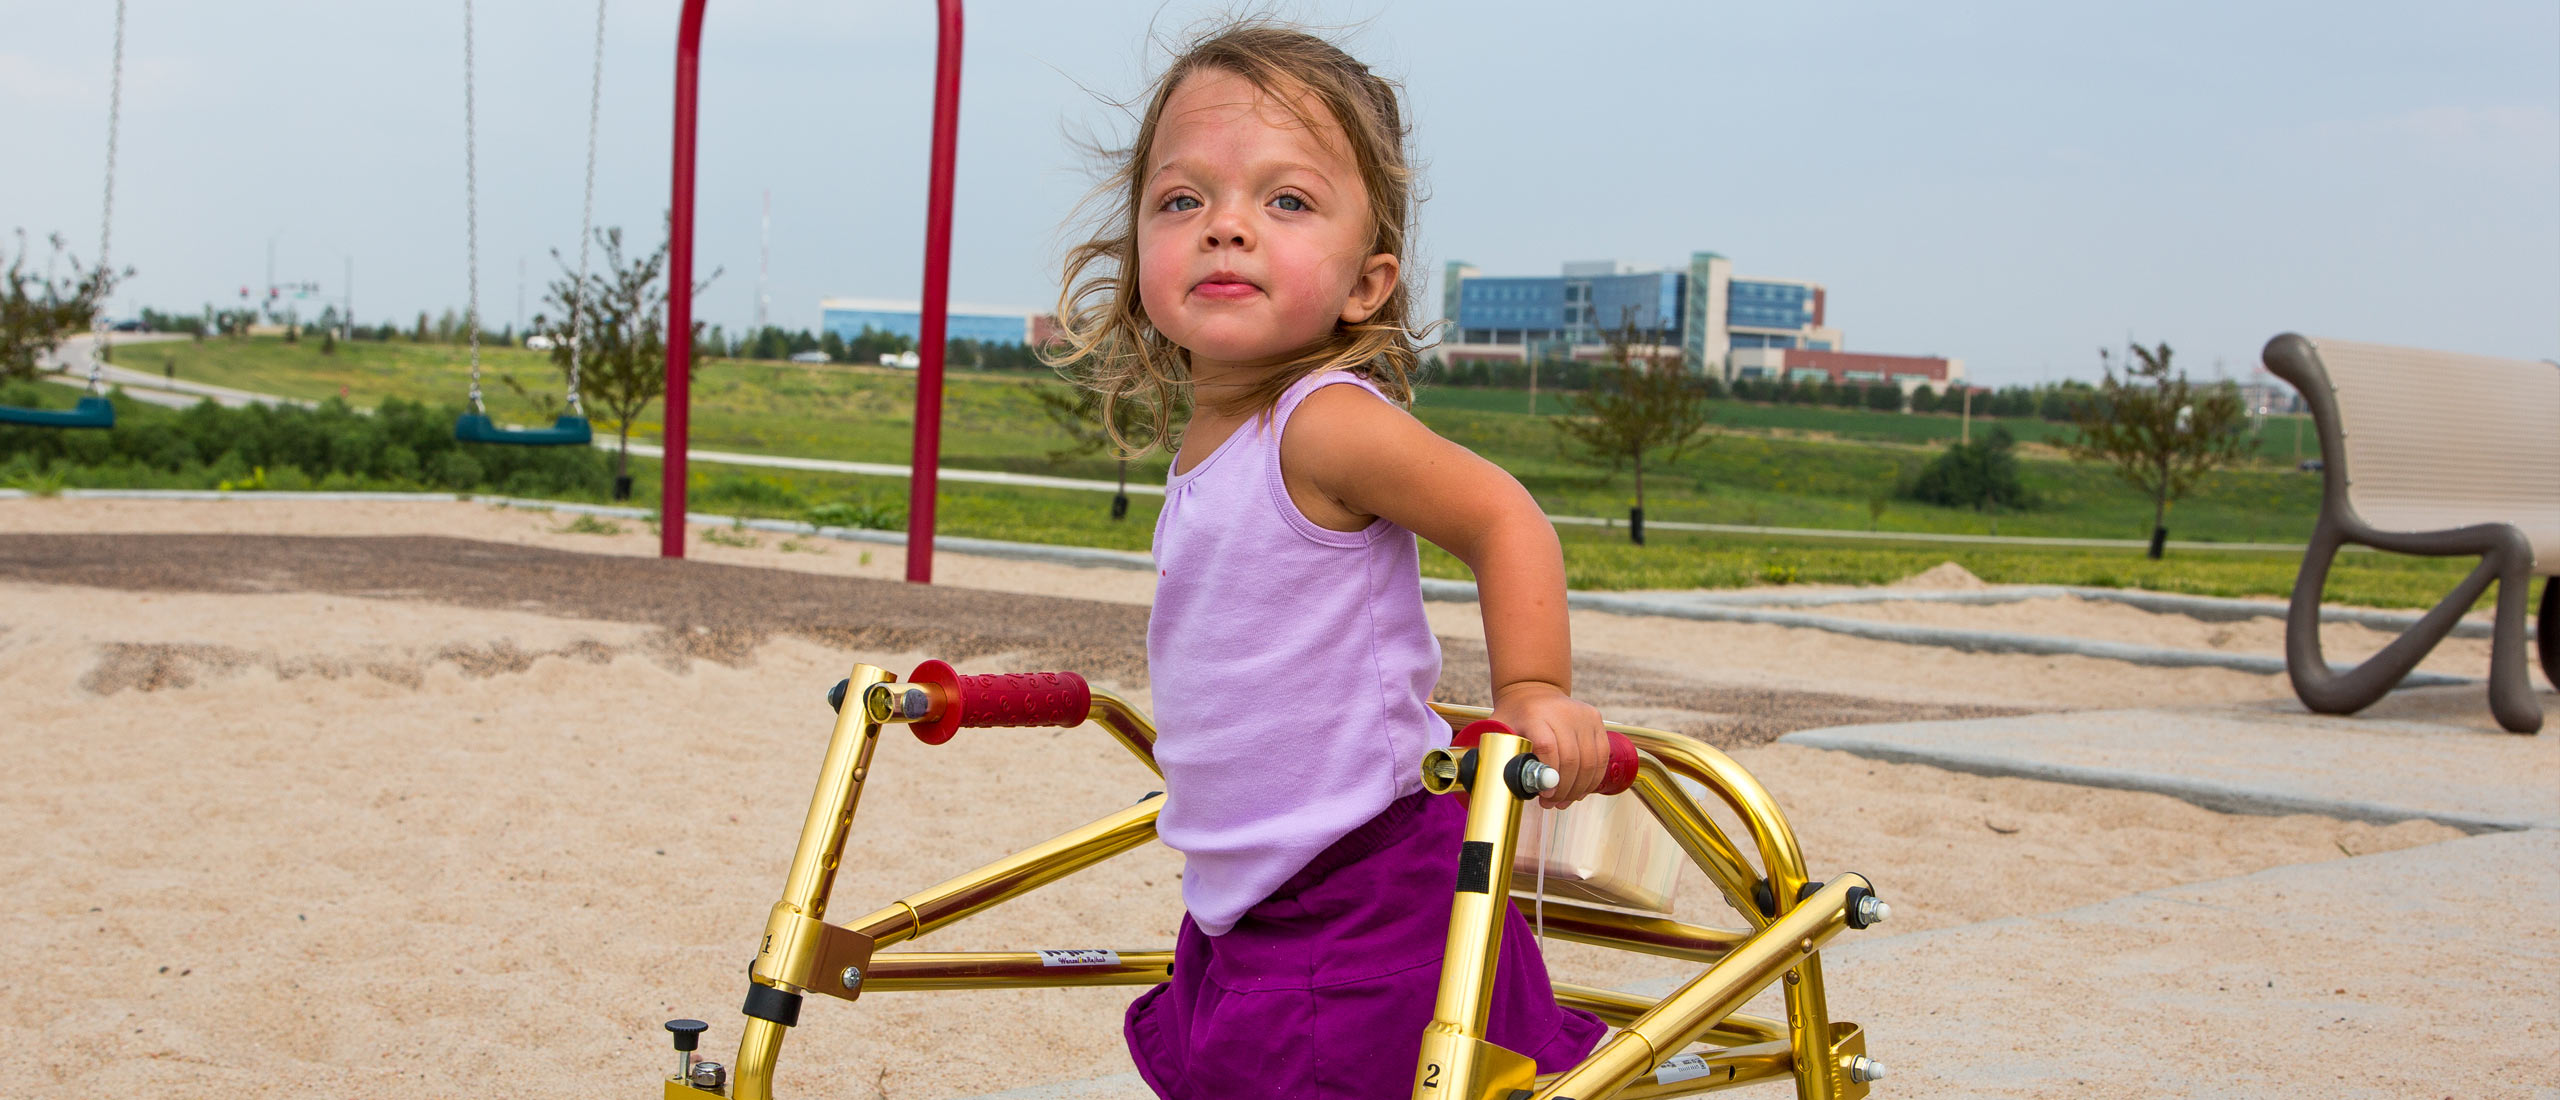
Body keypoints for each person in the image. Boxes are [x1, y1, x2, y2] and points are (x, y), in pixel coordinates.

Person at [1046, 21, 1609, 1098]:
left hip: (1362, 887)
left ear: (1367, 281)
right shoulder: (1219, 439)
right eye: (1182, 200)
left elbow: (1504, 517)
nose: (1225, 228)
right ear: (1137, 250)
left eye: (1286, 201)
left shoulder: (1322, 423)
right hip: (1250, 885)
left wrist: (1534, 690)